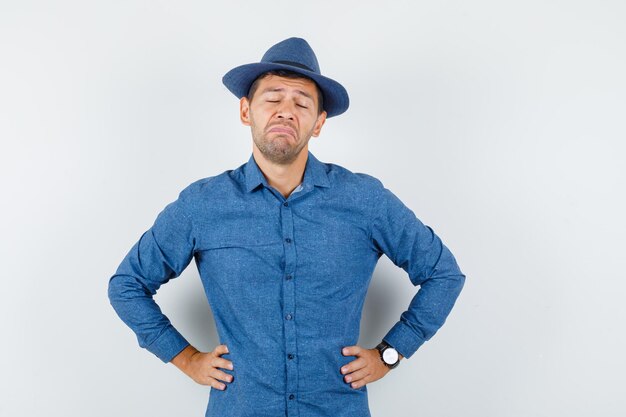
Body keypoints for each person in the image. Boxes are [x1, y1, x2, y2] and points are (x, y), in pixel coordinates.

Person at [108, 36, 466, 417]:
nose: (286, 111)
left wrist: (390, 353)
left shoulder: (365, 200)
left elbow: (443, 274)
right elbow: (127, 286)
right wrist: (185, 359)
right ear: (246, 111)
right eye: (273, 98)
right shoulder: (203, 205)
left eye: (301, 102)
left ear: (319, 123)